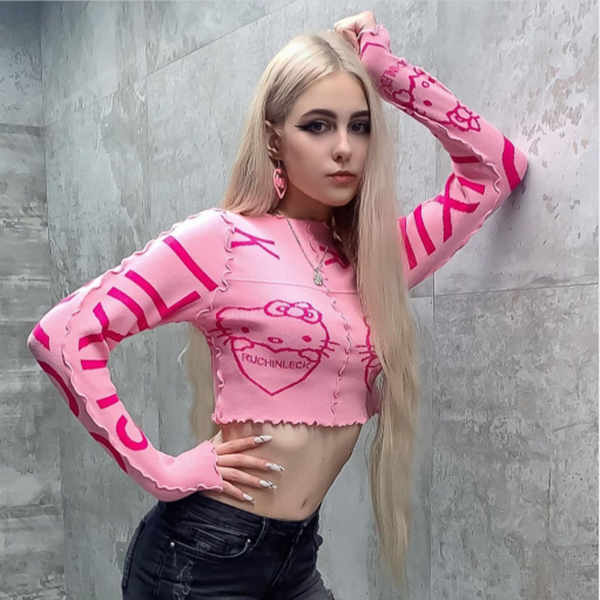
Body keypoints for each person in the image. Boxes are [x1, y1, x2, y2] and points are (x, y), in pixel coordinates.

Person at [26, 9, 528, 599]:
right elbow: (64, 334)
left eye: (360, 126)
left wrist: (384, 72)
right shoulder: (222, 242)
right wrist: (160, 471)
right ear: (274, 139)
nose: (344, 148)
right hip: (202, 558)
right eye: (318, 126)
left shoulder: (376, 261)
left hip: (294, 558)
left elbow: (495, 169)